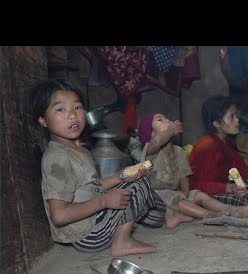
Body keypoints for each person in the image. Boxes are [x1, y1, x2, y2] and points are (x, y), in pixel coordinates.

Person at [31, 79, 185, 257]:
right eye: (60, 109)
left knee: (135, 183)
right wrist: (103, 201)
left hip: (92, 223)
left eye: (77, 107)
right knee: (137, 187)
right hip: (88, 234)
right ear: (43, 120)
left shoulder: (76, 149)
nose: (72, 115)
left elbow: (92, 186)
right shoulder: (57, 158)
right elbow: (59, 215)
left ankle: (168, 215)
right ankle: (122, 242)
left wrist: (121, 177)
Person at [137, 112, 248, 226]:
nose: (167, 120)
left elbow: (185, 183)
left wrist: (185, 193)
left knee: (199, 195)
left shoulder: (179, 152)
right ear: (151, 134)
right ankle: (210, 215)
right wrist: (170, 130)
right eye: (160, 119)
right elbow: (157, 142)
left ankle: (232, 211)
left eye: (166, 118)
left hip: (173, 197)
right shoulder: (151, 151)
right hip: (151, 200)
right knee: (171, 196)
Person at [188, 95, 248, 206]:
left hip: (221, 186)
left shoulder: (226, 142)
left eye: (236, 116)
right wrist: (228, 188)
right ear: (216, 123)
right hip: (201, 191)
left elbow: (241, 170)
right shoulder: (207, 145)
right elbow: (198, 184)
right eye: (232, 117)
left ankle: (241, 197)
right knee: (241, 200)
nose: (237, 121)